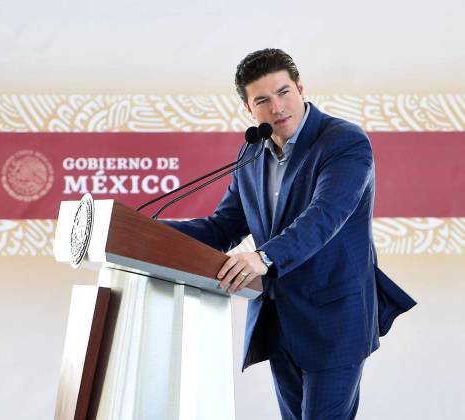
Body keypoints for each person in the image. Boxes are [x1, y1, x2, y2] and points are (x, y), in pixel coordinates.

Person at [162, 48, 416, 419]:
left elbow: (324, 217)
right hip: (281, 320)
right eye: (262, 100)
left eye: (283, 92)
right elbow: (222, 227)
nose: (277, 107)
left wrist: (264, 257)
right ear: (248, 109)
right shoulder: (251, 153)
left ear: (300, 88)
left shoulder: (343, 141)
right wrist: (144, 230)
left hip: (335, 319)